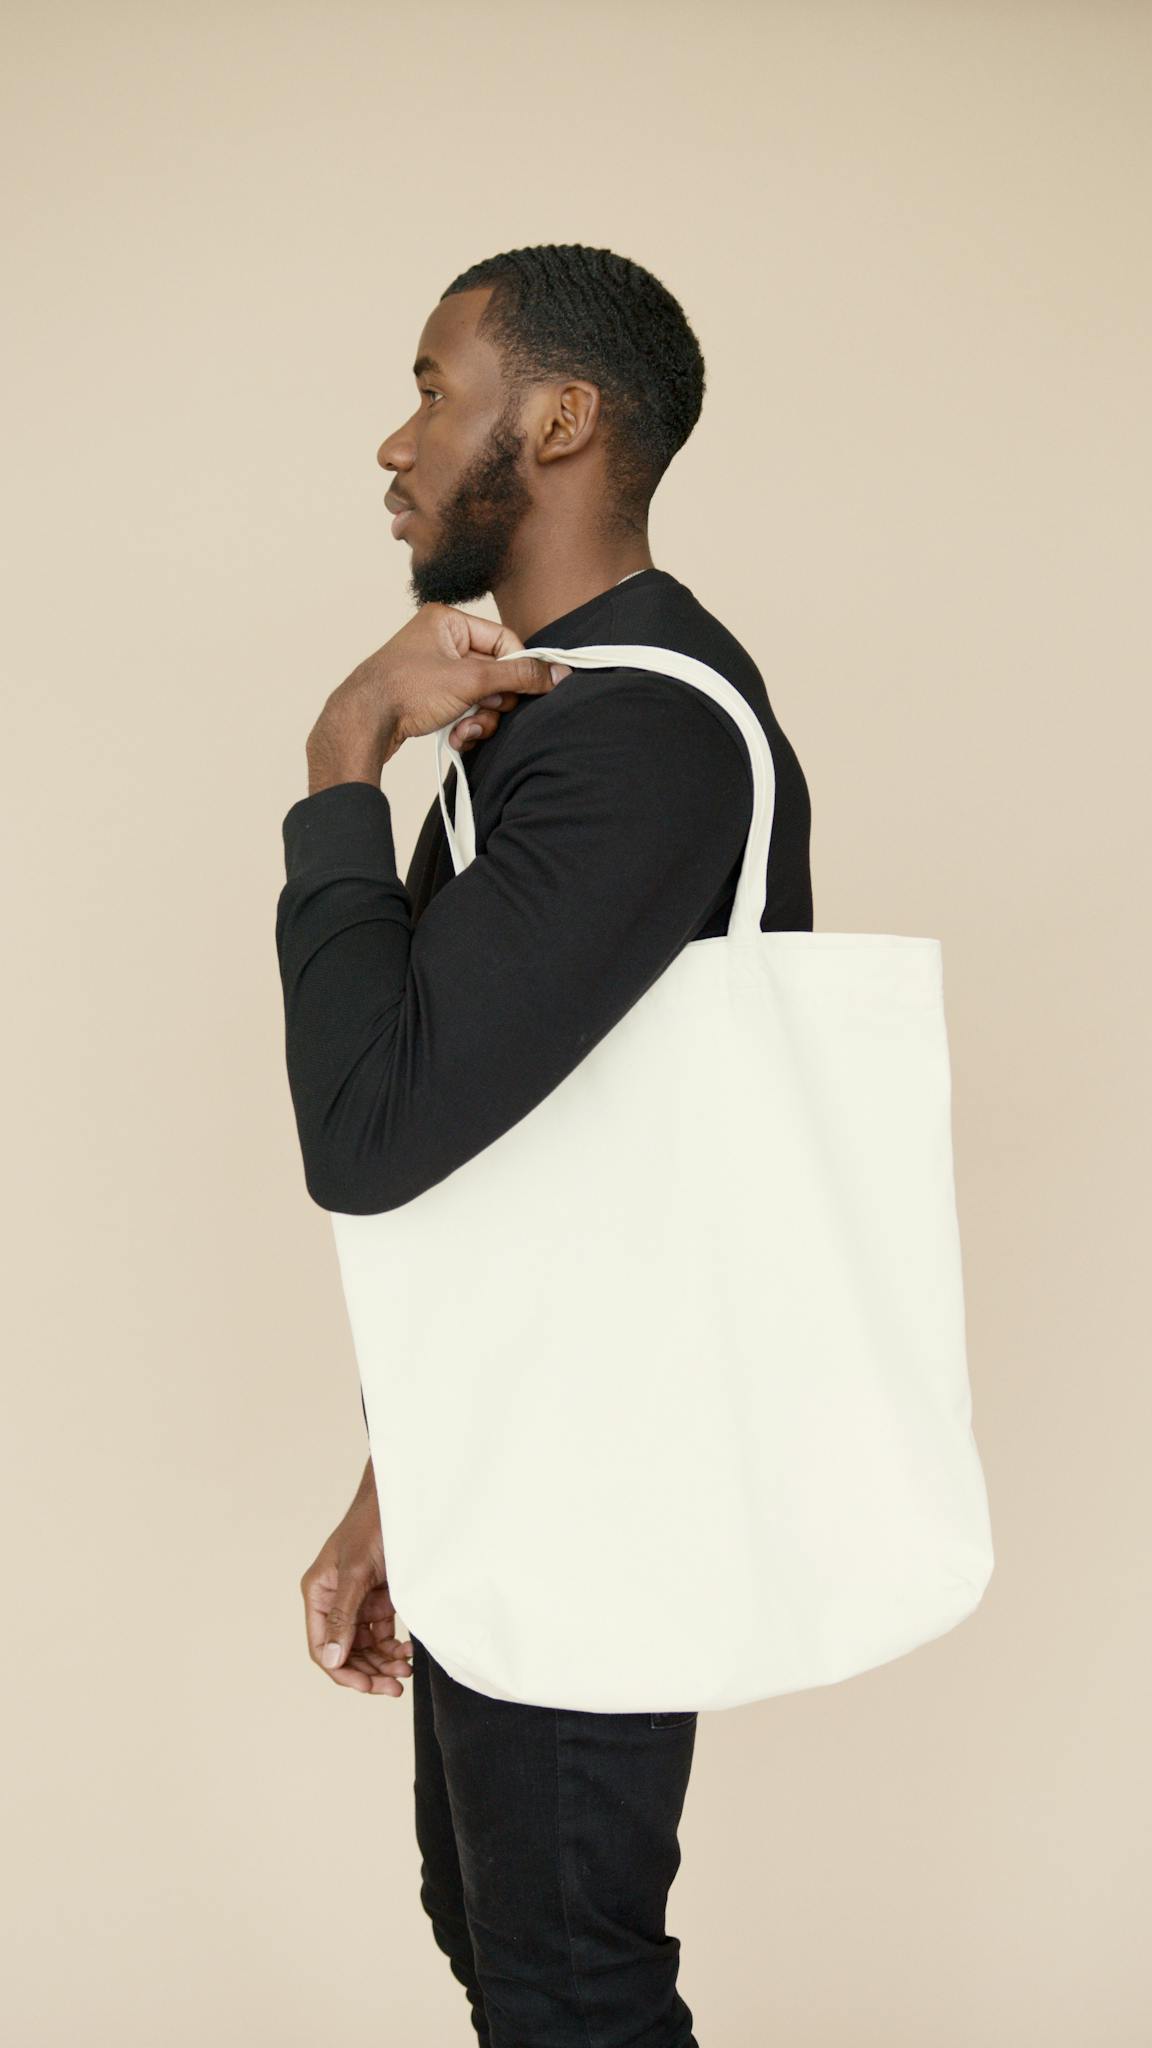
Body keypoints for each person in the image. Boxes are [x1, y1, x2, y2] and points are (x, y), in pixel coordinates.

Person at [276, 243, 813, 2047]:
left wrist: (344, 760)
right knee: (503, 1935)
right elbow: (497, 1147)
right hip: (524, 1444)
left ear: (564, 418)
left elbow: (369, 1133)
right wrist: (397, 1485)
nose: (393, 439)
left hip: (606, 1460)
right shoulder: (557, 712)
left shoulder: (646, 734)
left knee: (570, 1979)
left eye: (434, 383)